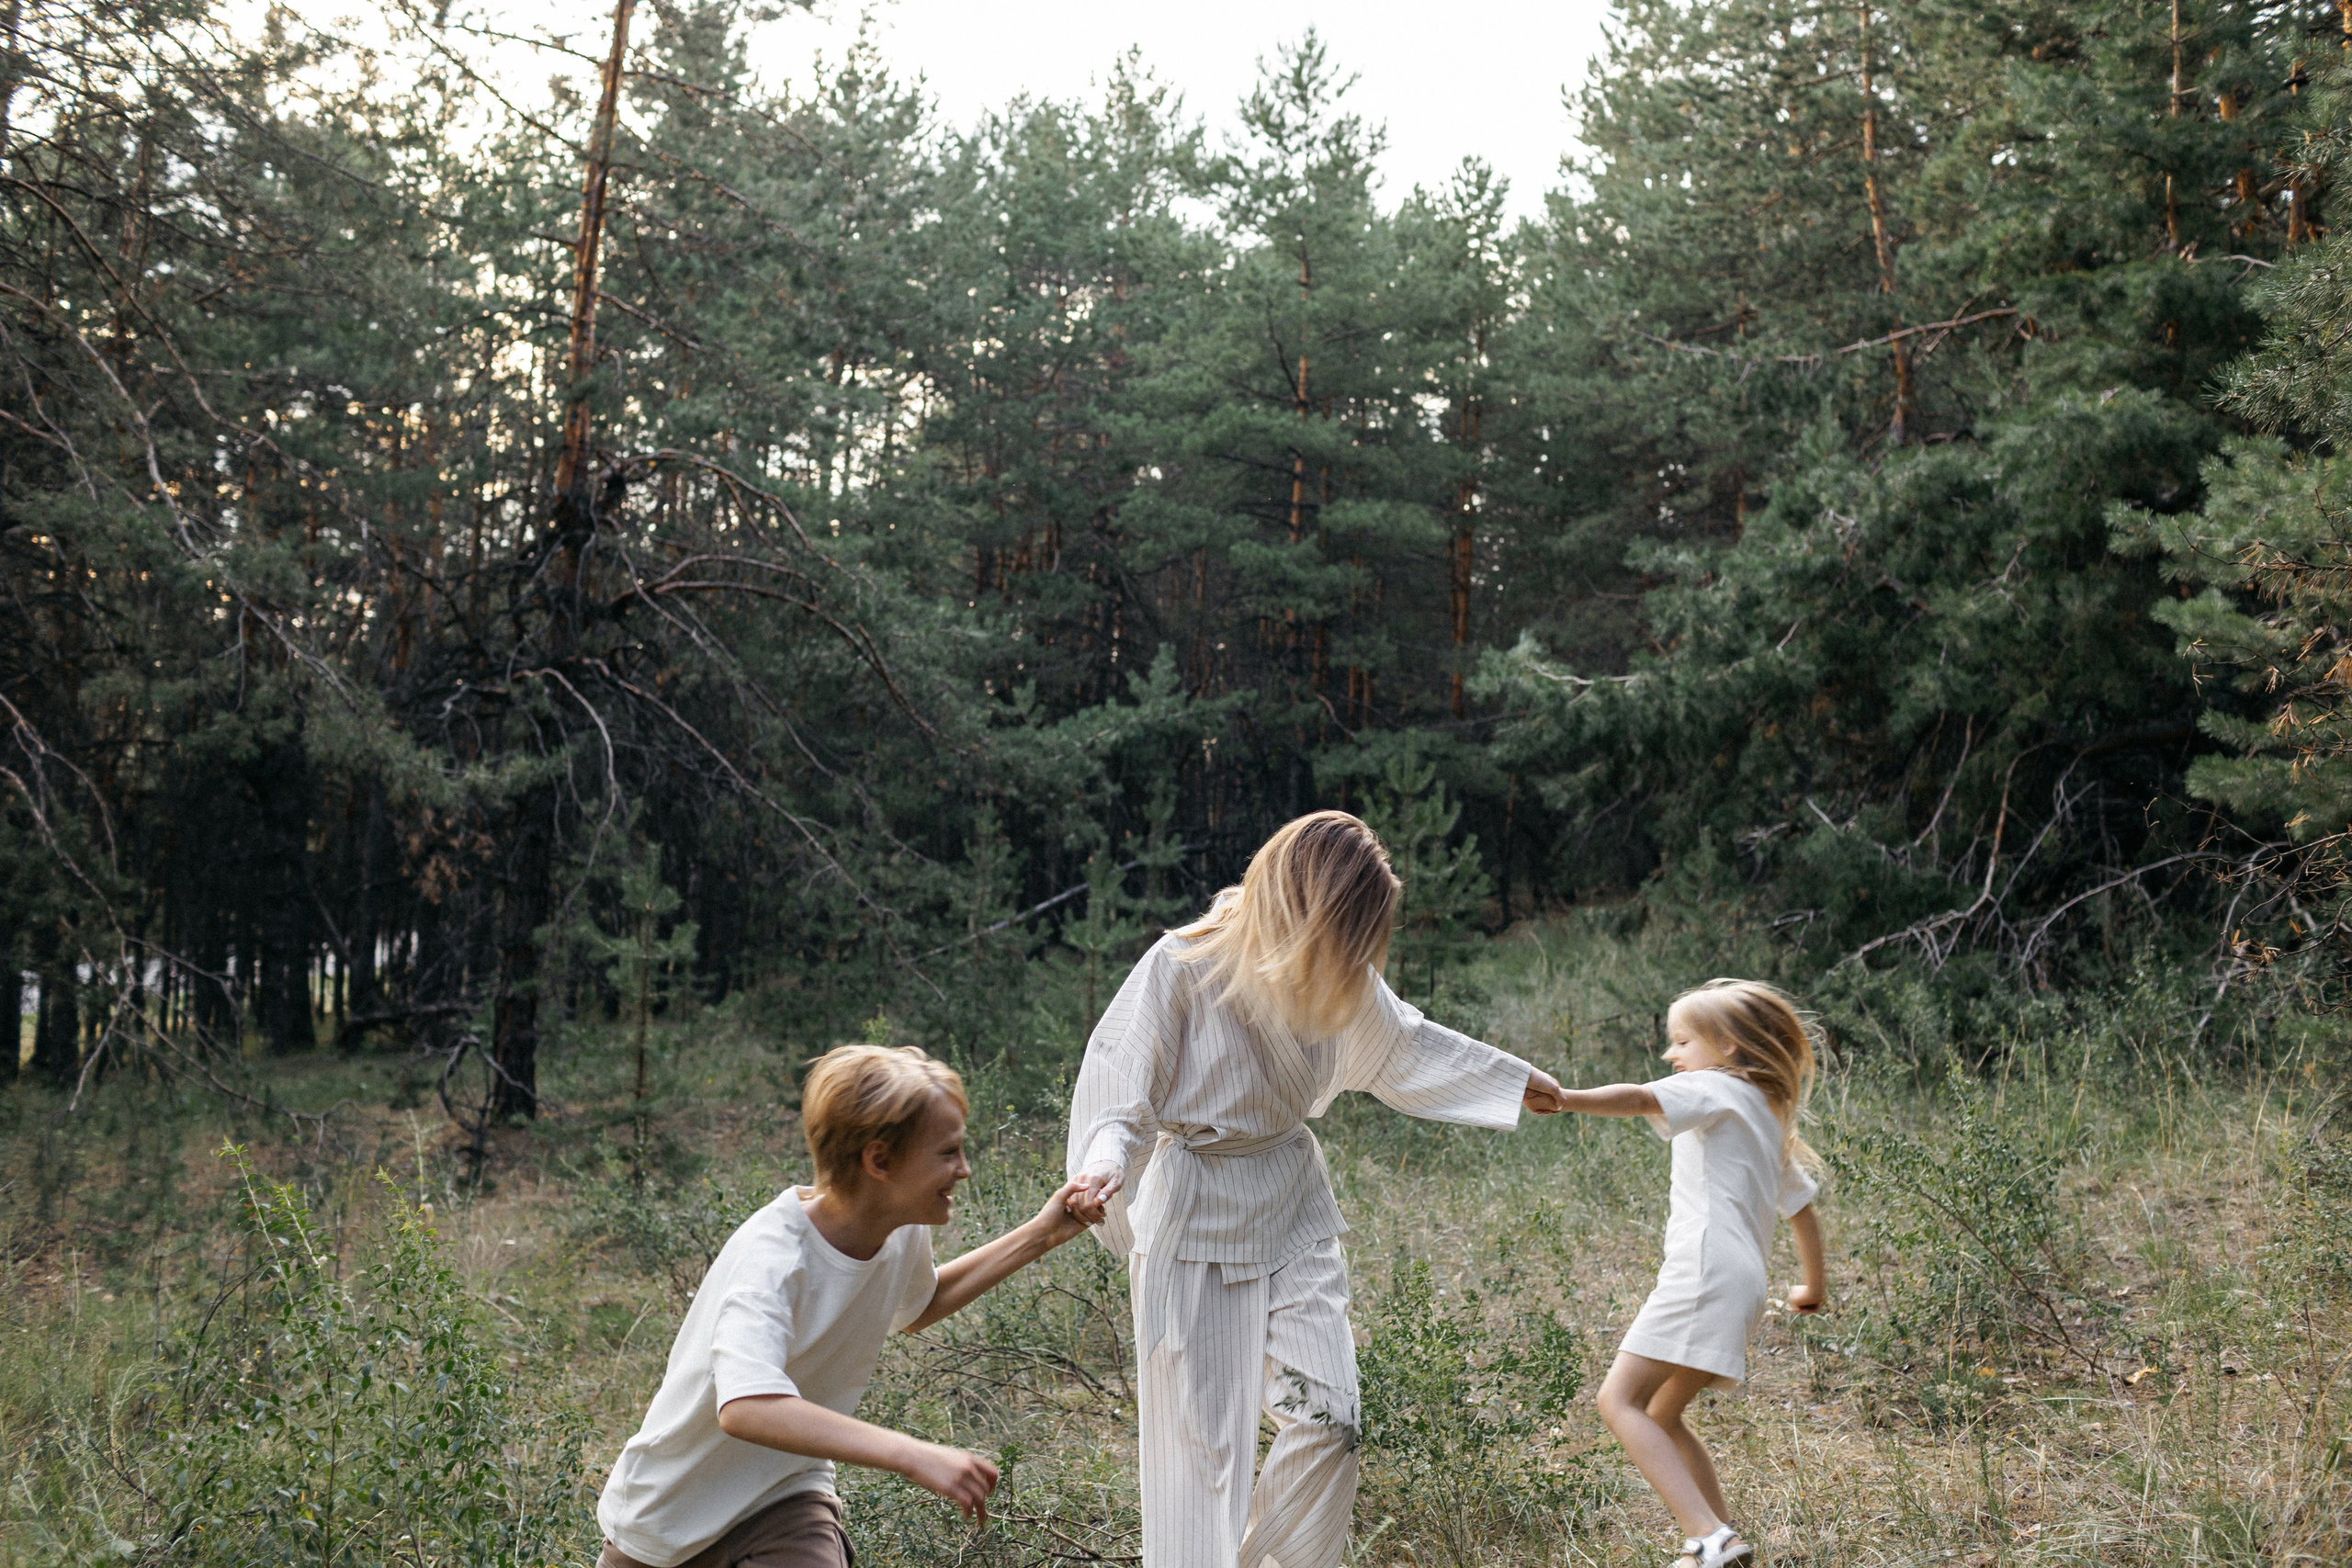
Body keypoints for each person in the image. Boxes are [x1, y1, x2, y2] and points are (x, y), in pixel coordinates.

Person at [1062, 810, 1567, 1568]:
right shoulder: (1181, 964)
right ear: (1299, 903)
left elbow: (1405, 1041)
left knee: (1329, 1416)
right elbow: (1120, 1087)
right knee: (1197, 1466)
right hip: (1193, 1214)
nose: (1354, 955)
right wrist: (1105, 1160)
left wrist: (1512, 1078)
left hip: (1291, 1206)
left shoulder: (1336, 973)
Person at [595, 1044, 1096, 1568]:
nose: (964, 1169)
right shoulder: (773, 1260)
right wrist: (912, 1453)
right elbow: (745, 1407)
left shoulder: (901, 1227)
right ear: (879, 1160)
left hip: (785, 1495)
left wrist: (1044, 1233)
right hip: (669, 1518)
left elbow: (919, 1304)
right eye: (948, 1153)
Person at [1549, 978, 1829, 1568]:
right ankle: (1723, 1538)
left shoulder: (1714, 1086)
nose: (1670, 1056)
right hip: (1743, 1284)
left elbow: (1639, 1098)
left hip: (1705, 1272)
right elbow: (1803, 1214)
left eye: (1680, 1042)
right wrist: (1813, 1287)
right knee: (1662, 1412)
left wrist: (1566, 1097)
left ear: (1727, 1047)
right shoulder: (1767, 1115)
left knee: (1617, 1400)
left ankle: (1705, 1536)